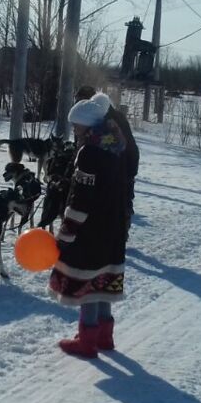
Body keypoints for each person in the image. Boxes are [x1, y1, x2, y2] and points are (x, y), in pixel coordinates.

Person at [50, 92, 128, 358]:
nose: (74, 129)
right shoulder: (115, 146)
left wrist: (67, 231)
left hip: (90, 230)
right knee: (104, 279)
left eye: (76, 125)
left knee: (88, 284)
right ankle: (104, 337)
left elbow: (82, 198)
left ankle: (87, 339)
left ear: (87, 124)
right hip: (114, 225)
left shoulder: (90, 153)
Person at [75, 85, 138, 237]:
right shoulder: (88, 120)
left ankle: (119, 235)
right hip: (119, 169)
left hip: (122, 169)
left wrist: (128, 172)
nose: (79, 106)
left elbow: (128, 148)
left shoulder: (107, 121)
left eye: (82, 102)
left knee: (119, 205)